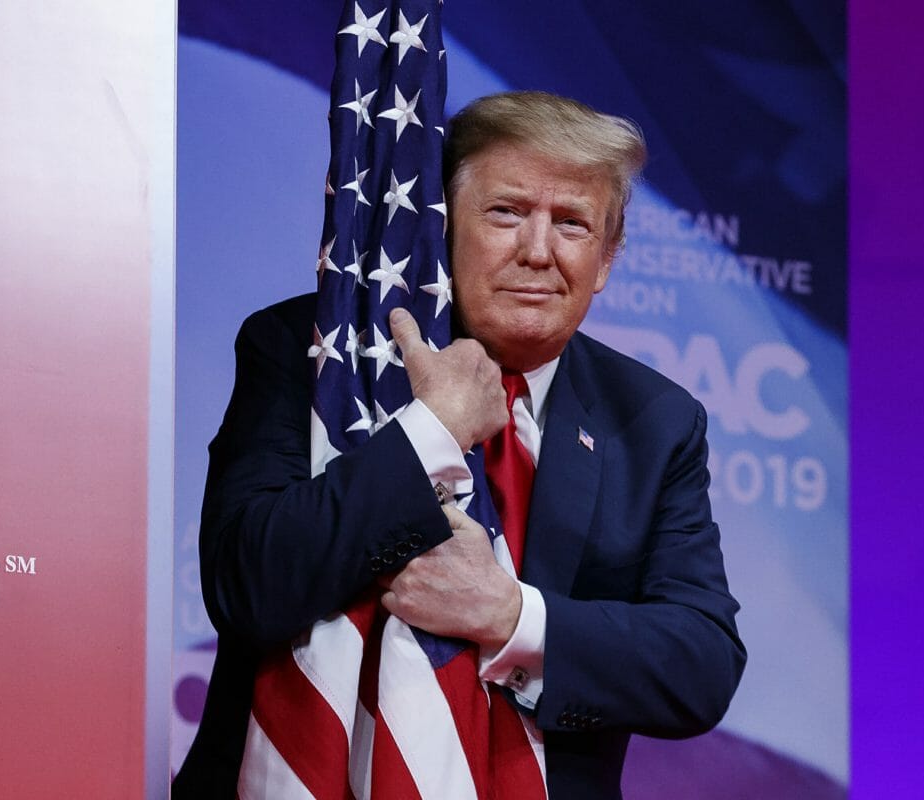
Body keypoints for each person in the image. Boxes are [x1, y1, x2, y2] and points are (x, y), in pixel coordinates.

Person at [174, 91, 746, 799]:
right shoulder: (315, 353)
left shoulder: (653, 420)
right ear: (439, 225)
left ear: (605, 260)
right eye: (506, 212)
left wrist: (510, 617)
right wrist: (430, 433)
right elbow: (248, 584)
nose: (538, 251)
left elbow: (701, 663)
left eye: (572, 223)